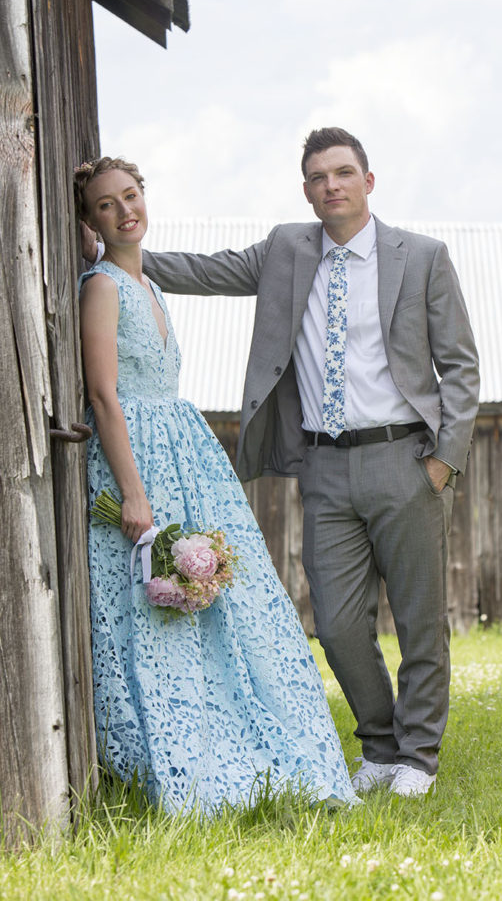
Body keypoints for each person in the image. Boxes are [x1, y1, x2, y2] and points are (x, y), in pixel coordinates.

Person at [86, 127, 480, 797]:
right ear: (306, 189)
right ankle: (378, 747)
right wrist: (120, 252)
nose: (332, 185)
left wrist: (441, 462)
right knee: (335, 623)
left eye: (344, 172)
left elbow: (460, 367)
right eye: (319, 177)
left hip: (403, 459)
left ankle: (416, 757)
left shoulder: (421, 257)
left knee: (418, 619)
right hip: (324, 467)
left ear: (367, 181)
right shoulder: (286, 250)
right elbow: (204, 271)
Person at [75, 156, 357, 813]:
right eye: (107, 206)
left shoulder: (149, 285)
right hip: (140, 456)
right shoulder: (103, 287)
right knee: (156, 606)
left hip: (185, 454)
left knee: (222, 602)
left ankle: (252, 750)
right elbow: (103, 396)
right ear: (90, 221)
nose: (124, 212)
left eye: (131, 196)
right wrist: (135, 493)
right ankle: (181, 763)